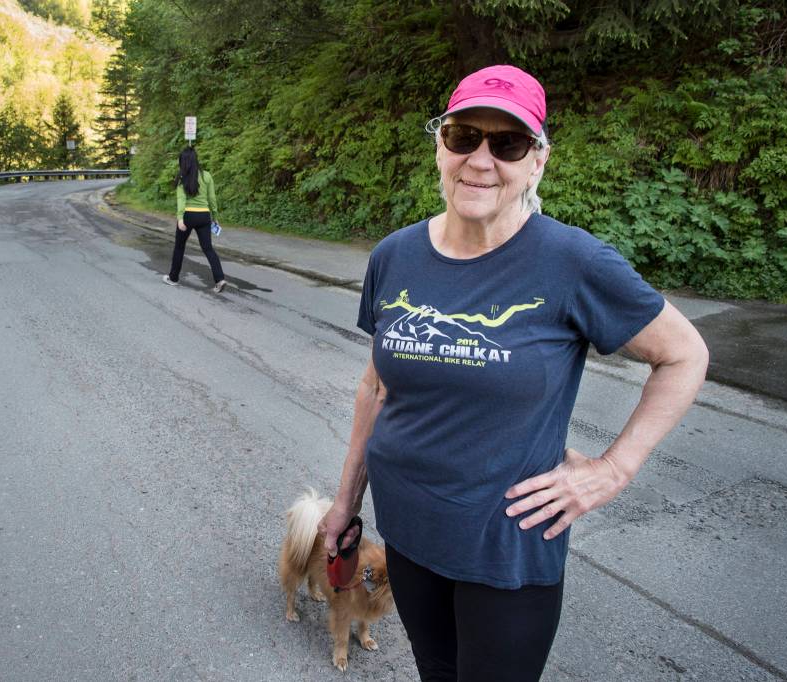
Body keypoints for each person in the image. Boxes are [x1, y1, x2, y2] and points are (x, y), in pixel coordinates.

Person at [318, 64, 709, 681]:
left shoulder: (572, 262)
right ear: (440, 146)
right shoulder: (395, 255)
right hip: (409, 530)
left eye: (507, 144)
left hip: (506, 548)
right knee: (436, 671)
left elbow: (684, 354)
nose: (480, 160)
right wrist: (346, 501)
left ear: (537, 162)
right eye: (463, 136)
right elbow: (375, 386)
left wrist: (614, 469)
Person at [162, 147, 227, 293]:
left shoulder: (182, 177)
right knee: (208, 248)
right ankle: (220, 279)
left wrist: (180, 218)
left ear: (183, 162)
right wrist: (215, 217)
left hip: (188, 216)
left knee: (179, 247)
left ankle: (173, 278)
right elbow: (212, 199)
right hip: (204, 216)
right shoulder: (206, 176)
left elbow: (181, 200)